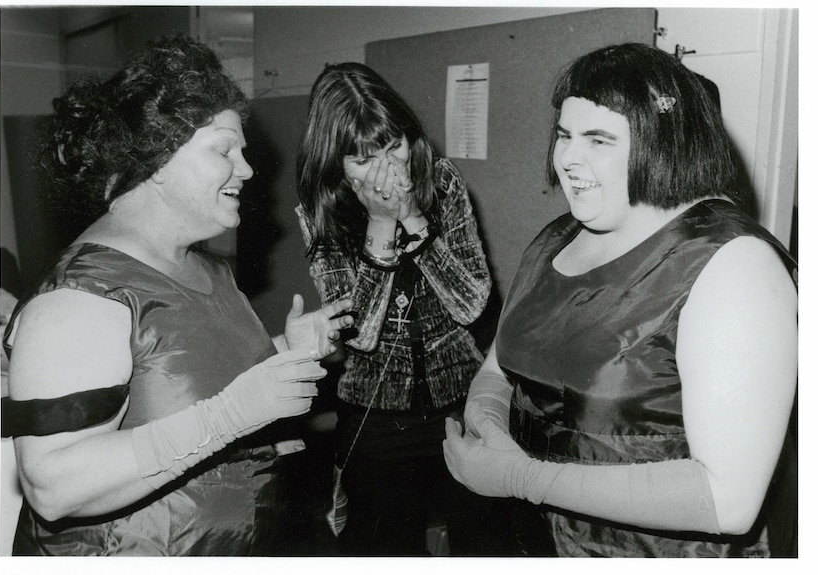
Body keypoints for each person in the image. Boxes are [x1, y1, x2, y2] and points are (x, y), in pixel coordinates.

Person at [1, 34, 354, 556]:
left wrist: (284, 352)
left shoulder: (208, 270)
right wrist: (232, 415)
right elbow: (53, 487)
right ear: (157, 160)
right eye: (224, 149)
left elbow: (176, 384)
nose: (247, 169)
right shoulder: (79, 298)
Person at [443, 42, 798, 558]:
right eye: (564, 134)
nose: (567, 158)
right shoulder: (556, 238)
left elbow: (728, 500)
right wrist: (489, 424)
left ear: (663, 145)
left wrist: (520, 476)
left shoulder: (734, 263)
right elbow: (500, 368)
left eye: (598, 139)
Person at [295, 62, 495, 556]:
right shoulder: (320, 211)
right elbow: (359, 333)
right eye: (364, 160)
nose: (388, 170)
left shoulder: (442, 182)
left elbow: (471, 302)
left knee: (485, 545)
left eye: (394, 147)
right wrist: (381, 226)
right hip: (376, 420)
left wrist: (412, 217)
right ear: (336, 163)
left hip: (461, 406)